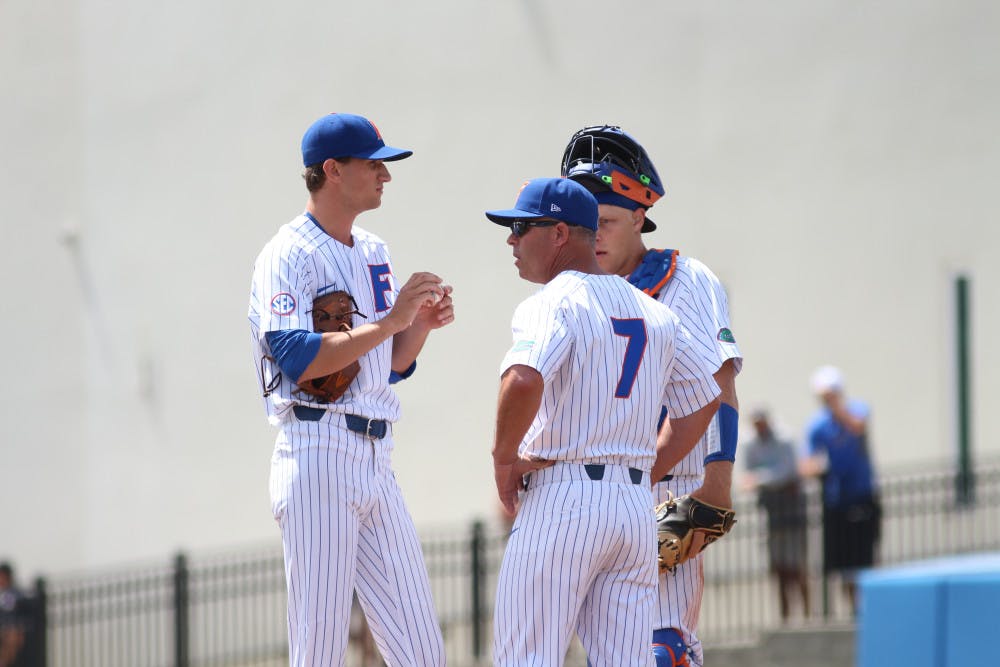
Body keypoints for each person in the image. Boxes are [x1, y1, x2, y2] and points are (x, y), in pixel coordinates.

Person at [485, 177, 721, 666]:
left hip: (562, 496)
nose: (511, 239)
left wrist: (504, 460)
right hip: (633, 508)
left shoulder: (551, 302)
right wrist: (648, 468)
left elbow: (523, 379)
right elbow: (703, 400)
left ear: (559, 234)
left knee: (527, 658)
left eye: (522, 227)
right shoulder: (655, 313)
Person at [248, 113, 454, 667]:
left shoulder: (374, 250)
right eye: (374, 164)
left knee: (421, 650)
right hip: (316, 450)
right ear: (332, 171)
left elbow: (386, 366)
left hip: (375, 453)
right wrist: (390, 323)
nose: (385, 175)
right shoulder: (287, 253)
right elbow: (294, 358)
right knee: (320, 649)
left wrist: (418, 328)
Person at [560, 126, 742, 666]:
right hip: (590, 499)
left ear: (640, 216)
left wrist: (717, 485)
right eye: (583, 224)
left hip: (671, 489)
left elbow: (720, 382)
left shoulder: (686, 280)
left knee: (661, 648)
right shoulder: (569, 290)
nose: (594, 236)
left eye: (608, 222)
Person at [801, 365, 881, 614]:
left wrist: (838, 410)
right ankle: (853, 610)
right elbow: (807, 463)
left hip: (863, 496)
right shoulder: (817, 426)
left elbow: (858, 426)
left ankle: (869, 608)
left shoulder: (857, 410)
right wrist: (815, 468)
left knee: (866, 558)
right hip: (837, 501)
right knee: (844, 563)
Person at [742, 409, 810, 622]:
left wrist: (762, 479)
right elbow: (748, 474)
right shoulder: (750, 443)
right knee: (778, 567)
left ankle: (808, 615)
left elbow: (788, 472)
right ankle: (785, 618)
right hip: (772, 511)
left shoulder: (785, 438)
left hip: (792, 509)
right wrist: (768, 479)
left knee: (796, 565)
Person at [0, 562, 28, 667]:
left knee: (11, 636)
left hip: (10, 628)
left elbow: (16, 613)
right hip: (4, 627)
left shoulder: (14, 593)